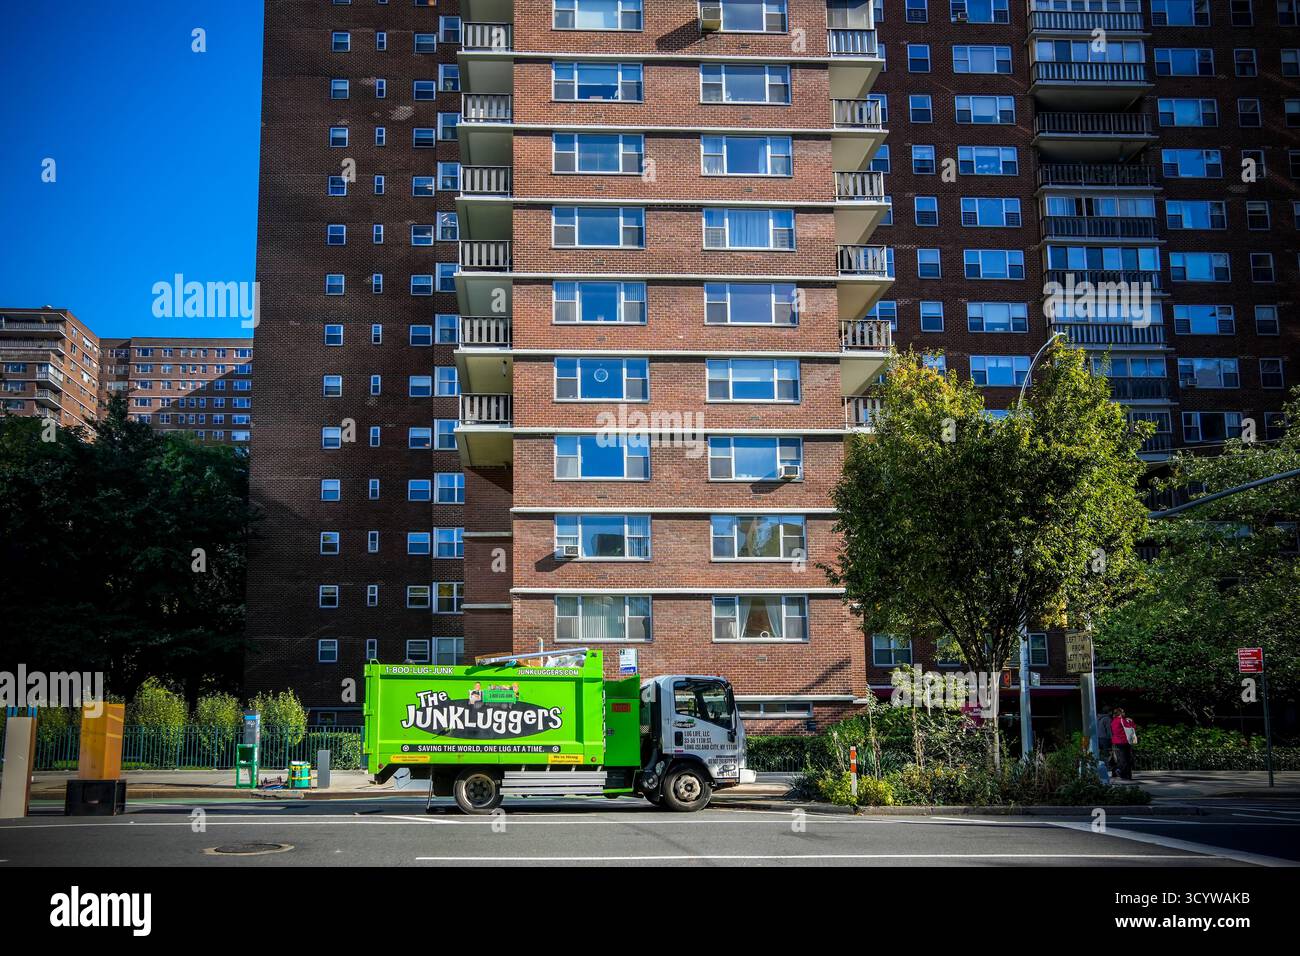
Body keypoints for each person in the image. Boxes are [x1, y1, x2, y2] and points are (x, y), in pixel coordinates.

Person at [1111, 707, 1137, 781]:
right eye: (1123, 712)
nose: (1124, 713)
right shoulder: (1122, 720)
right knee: (1126, 759)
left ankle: (1120, 772)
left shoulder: (1113, 721)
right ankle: (1126, 775)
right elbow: (1132, 728)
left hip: (1116, 742)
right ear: (1120, 713)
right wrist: (1131, 721)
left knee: (1120, 758)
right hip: (1124, 741)